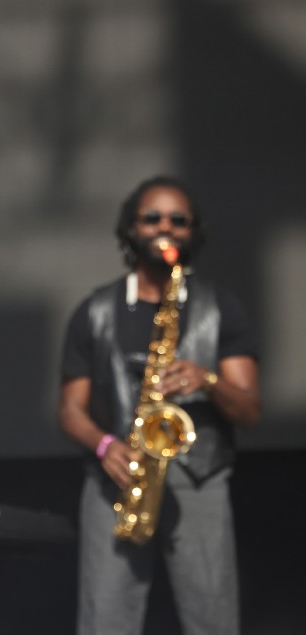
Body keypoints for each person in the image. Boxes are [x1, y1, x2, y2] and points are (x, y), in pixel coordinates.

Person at [57, 175, 260, 635]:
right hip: (117, 481)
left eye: (178, 220)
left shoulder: (220, 306)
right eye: (152, 218)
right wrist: (105, 443)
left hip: (200, 480)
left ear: (193, 232)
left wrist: (207, 380)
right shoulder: (94, 311)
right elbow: (70, 410)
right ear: (131, 229)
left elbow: (250, 411)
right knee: (104, 622)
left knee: (214, 623)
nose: (164, 227)